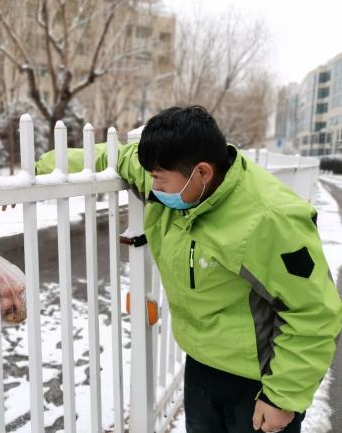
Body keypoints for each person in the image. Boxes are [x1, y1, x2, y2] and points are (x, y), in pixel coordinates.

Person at [35, 106, 342, 433]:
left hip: (258, 380)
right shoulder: (175, 177)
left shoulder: (269, 219)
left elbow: (314, 312)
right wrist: (36, 171)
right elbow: (114, 156)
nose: (152, 186)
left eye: (159, 179)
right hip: (201, 365)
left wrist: (283, 397)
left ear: (203, 172)